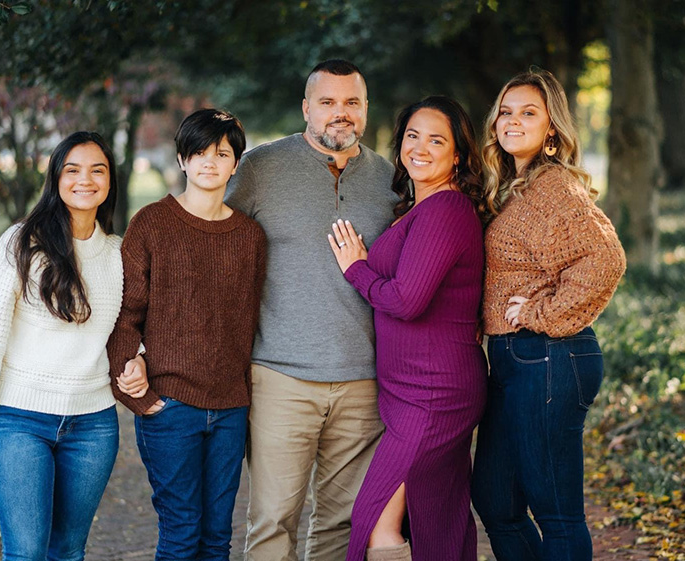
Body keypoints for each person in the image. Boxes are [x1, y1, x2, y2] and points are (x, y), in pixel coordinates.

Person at [225, 59, 398, 561]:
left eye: (351, 103)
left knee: (342, 524)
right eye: (327, 103)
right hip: (281, 376)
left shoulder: (391, 179)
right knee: (274, 519)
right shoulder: (260, 168)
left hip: (364, 380)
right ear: (306, 108)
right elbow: (219, 245)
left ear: (366, 109)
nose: (339, 114)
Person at [470, 68, 626, 561]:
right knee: (495, 500)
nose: (512, 121)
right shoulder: (517, 186)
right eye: (506, 112)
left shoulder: (552, 186)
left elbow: (606, 259)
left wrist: (540, 311)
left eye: (528, 112)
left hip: (550, 356)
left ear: (552, 128)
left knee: (556, 512)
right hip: (517, 360)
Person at [0, 131, 137, 561]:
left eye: (98, 169)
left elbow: (129, 327)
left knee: (68, 551)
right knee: (26, 552)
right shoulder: (20, 244)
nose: (85, 179)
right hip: (19, 422)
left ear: (110, 180)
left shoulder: (118, 253)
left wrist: (141, 359)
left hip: (92, 425)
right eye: (72, 169)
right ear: (56, 178)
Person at [328, 96, 489, 561]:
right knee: (434, 520)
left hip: (434, 395)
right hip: (413, 391)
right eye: (412, 136)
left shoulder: (445, 210)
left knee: (376, 522)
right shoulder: (422, 208)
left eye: (436, 140)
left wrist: (356, 268)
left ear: (458, 154)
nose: (420, 147)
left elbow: (406, 300)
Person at [106, 108, 266, 561]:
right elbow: (124, 317)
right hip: (170, 407)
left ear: (237, 163)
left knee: (217, 538)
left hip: (230, 408)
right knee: (181, 534)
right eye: (198, 152)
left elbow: (250, 319)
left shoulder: (250, 236)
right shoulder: (152, 223)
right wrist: (135, 392)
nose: (209, 162)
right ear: (182, 159)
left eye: (221, 153)